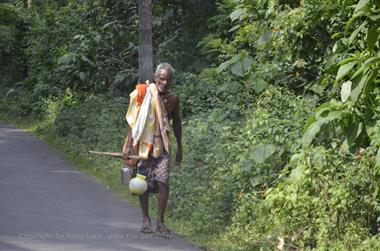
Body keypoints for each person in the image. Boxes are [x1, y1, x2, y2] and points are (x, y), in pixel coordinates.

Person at [122, 62, 182, 238]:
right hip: (143, 145)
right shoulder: (144, 94)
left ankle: (160, 221)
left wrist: (180, 147)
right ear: (156, 78)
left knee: (163, 181)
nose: (164, 82)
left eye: (168, 80)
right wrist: (127, 145)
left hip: (162, 146)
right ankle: (146, 219)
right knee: (142, 183)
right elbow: (134, 122)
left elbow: (176, 123)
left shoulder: (173, 99)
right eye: (161, 79)